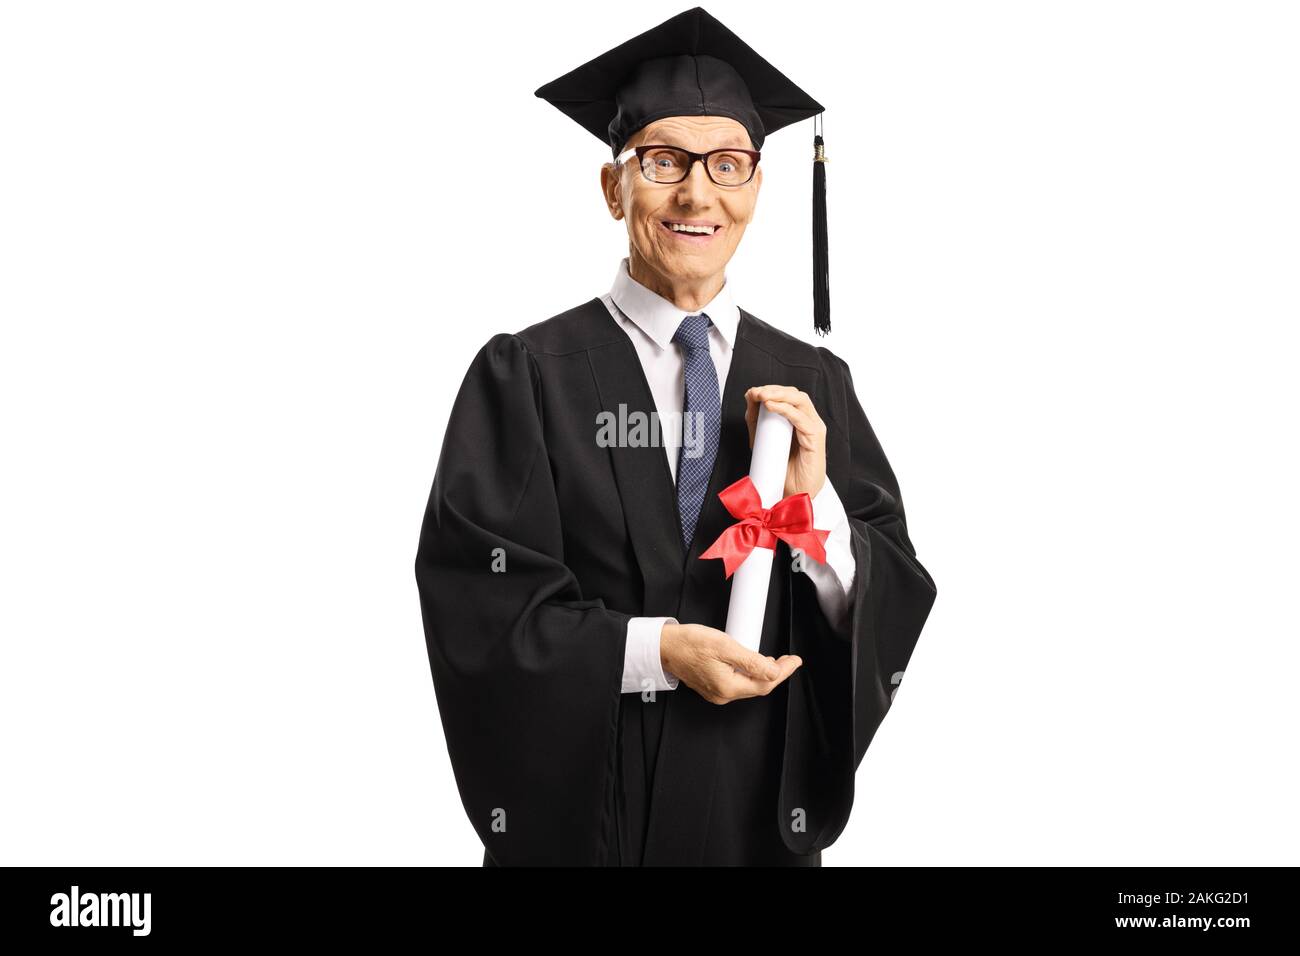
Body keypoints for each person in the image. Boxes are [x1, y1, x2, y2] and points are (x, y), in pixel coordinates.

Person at [413, 6, 937, 866]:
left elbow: (890, 593)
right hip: (590, 823)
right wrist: (657, 650)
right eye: (664, 162)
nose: (698, 193)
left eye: (729, 165)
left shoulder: (816, 385)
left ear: (758, 190)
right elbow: (479, 604)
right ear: (615, 187)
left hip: (756, 826)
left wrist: (817, 513)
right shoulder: (527, 375)